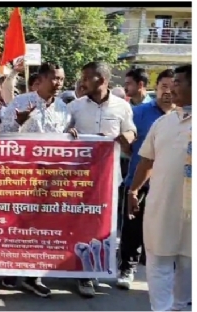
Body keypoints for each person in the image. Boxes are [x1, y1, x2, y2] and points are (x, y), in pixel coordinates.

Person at [67, 61, 137, 298]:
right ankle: (84, 274)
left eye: (87, 77)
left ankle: (96, 267)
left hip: (109, 178)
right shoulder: (75, 107)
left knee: (102, 224)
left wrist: (124, 136)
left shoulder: (122, 107)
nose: (83, 82)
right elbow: (62, 136)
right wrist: (70, 134)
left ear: (102, 80)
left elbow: (131, 132)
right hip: (80, 179)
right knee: (82, 224)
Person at [126, 65, 191, 311]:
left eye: (180, 82)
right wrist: (133, 190)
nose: (173, 87)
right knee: (159, 263)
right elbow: (146, 160)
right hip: (162, 207)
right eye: (173, 82)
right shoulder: (163, 123)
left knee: (189, 264)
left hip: (191, 214)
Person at [0, 62, 67, 297]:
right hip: (21, 177)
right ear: (43, 79)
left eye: (61, 79)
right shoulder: (21, 102)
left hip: (49, 179)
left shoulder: (63, 110)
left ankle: (32, 276)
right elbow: (2, 134)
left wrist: (73, 137)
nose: (59, 83)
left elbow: (65, 142)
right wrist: (18, 121)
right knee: (16, 225)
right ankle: (10, 270)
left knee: (41, 227)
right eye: (55, 78)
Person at [117, 69, 176, 290]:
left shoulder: (185, 117)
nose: (169, 92)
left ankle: (163, 273)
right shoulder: (139, 113)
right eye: (164, 87)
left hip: (171, 186)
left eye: (173, 86)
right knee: (133, 229)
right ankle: (127, 268)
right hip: (138, 182)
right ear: (156, 87)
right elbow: (127, 145)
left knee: (164, 232)